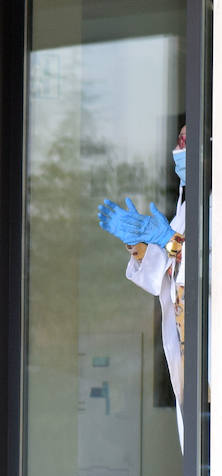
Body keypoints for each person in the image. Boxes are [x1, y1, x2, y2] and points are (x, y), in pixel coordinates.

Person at [97, 125, 187, 447]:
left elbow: (203, 271)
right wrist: (138, 243)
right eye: (179, 142)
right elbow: (163, 275)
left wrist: (168, 241)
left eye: (187, 143)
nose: (180, 150)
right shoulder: (185, 211)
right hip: (190, 362)